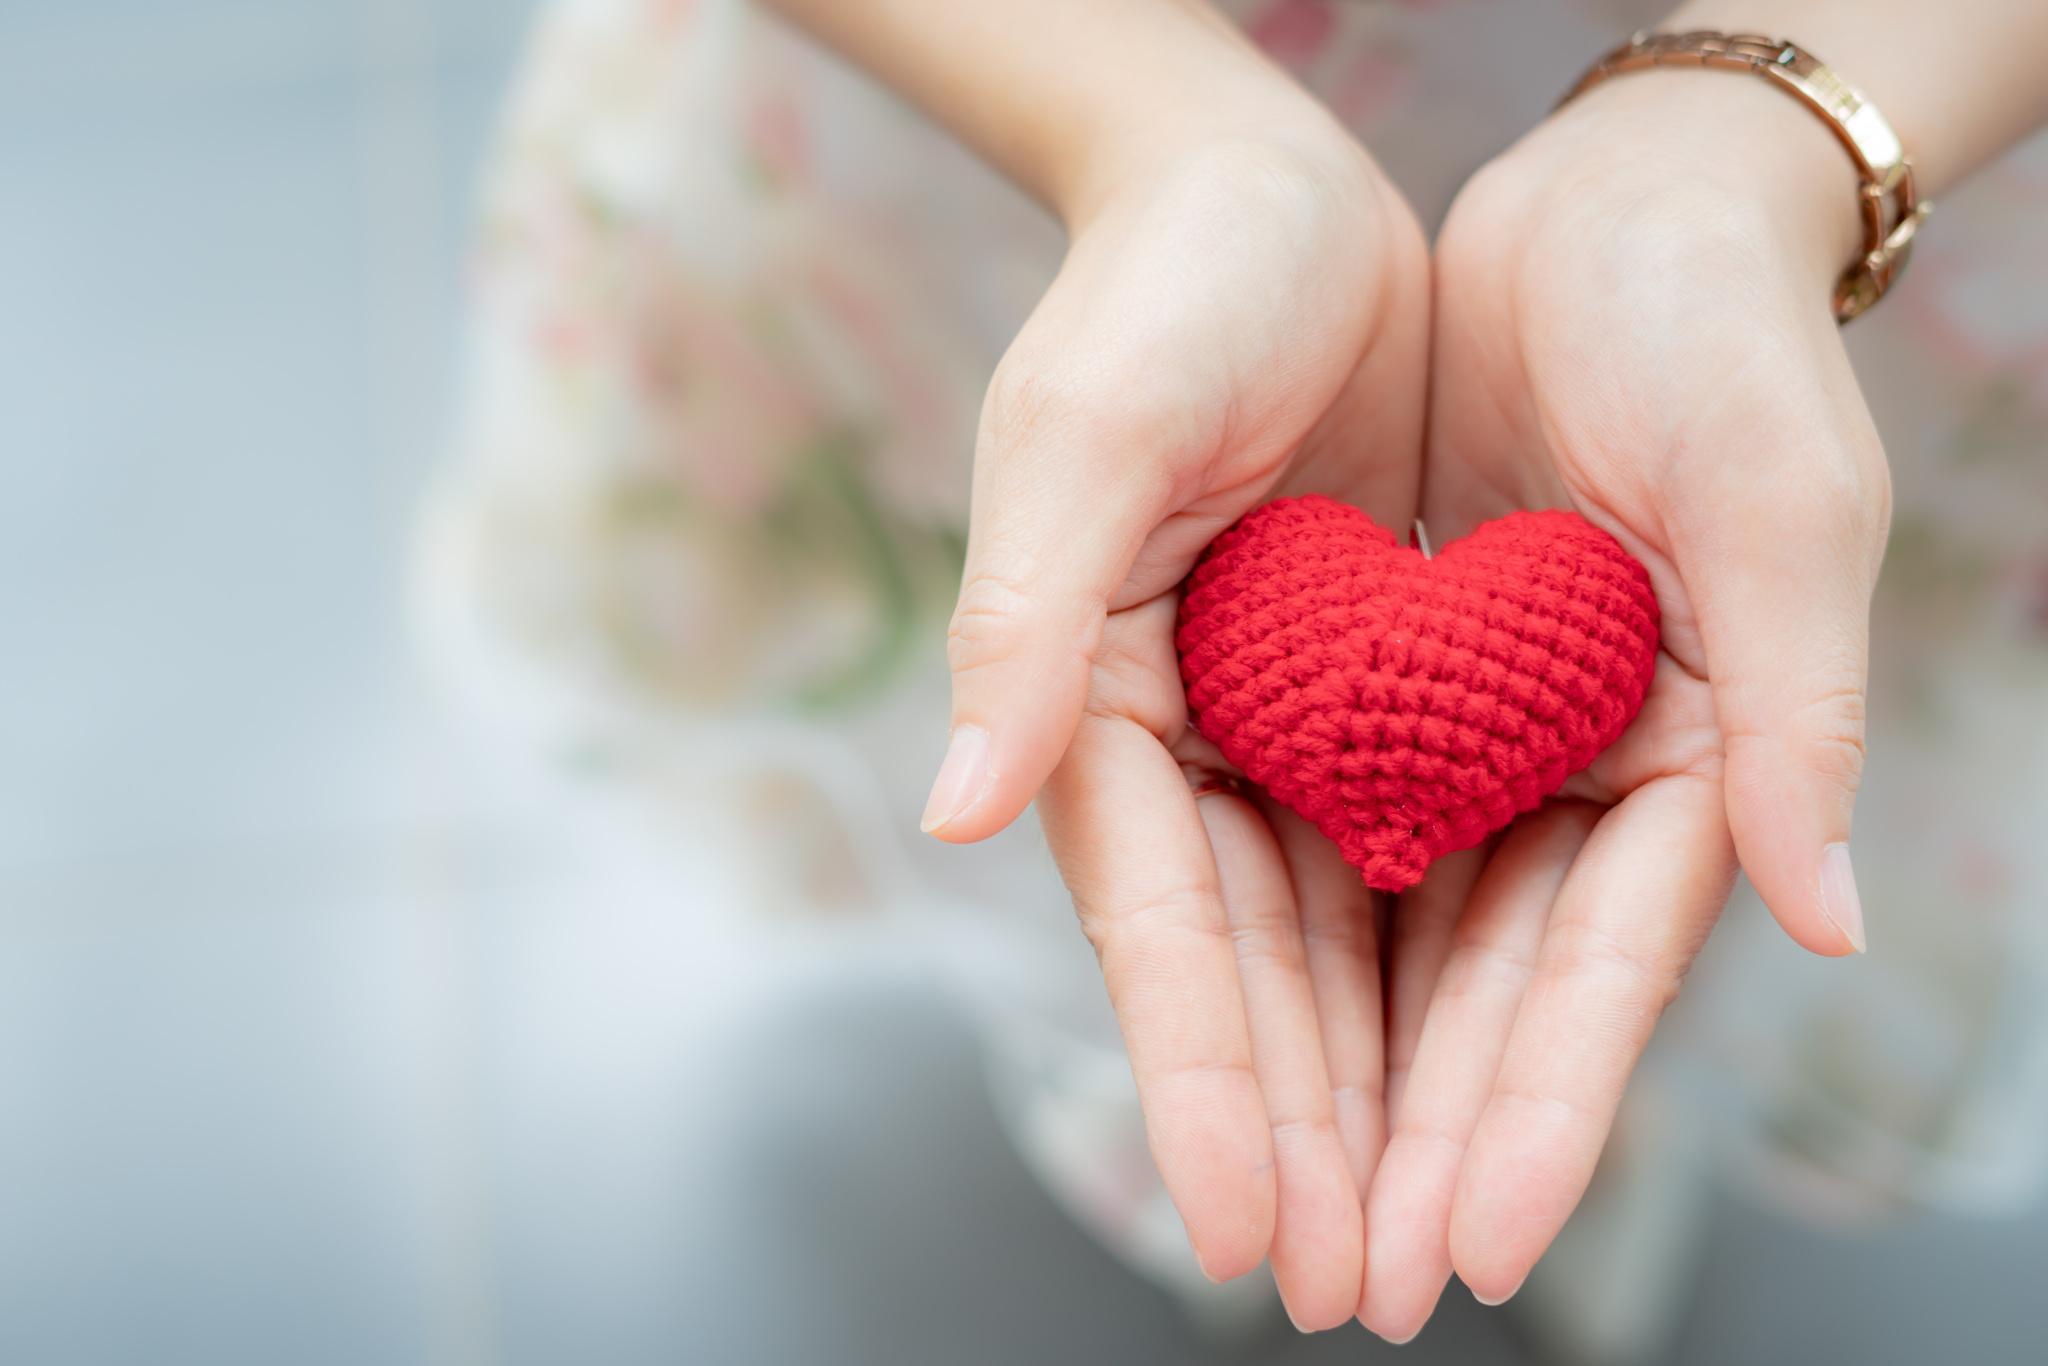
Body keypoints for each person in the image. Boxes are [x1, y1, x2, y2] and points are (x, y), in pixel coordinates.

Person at [445, 0, 2048, 1343]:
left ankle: (1584, 1126)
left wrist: (1751, 168)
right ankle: (1155, 1096)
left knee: (1744, 669)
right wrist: (1150, 129)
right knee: (1081, 634)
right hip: (1006, 88)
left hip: (1903, 96)